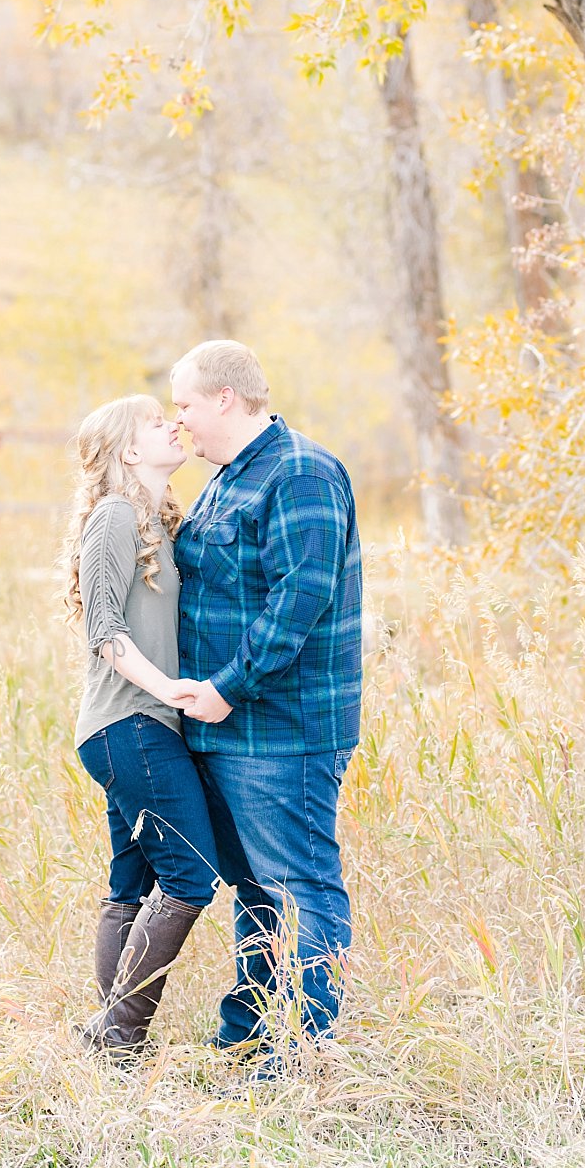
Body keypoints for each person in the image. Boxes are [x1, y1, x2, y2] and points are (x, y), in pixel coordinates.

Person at [167, 340, 365, 1064]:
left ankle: (312, 1044)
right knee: (255, 888)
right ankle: (249, 1034)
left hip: (283, 729)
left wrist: (225, 685)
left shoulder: (301, 472)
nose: (178, 418)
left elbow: (300, 598)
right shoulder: (227, 478)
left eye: (184, 402)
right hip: (226, 729)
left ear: (224, 397)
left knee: (302, 883)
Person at [62, 394, 219, 1062]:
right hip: (128, 723)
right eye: (157, 421)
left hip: (143, 725)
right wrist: (171, 691)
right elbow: (105, 631)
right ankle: (118, 1029)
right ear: (128, 451)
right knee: (192, 873)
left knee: (130, 882)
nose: (172, 424)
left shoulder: (159, 520)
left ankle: (114, 1042)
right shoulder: (114, 515)